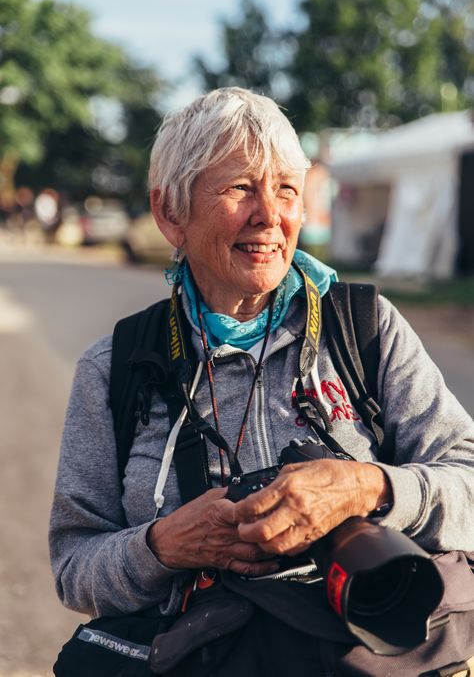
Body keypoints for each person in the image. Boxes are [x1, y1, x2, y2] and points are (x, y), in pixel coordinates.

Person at [50, 87, 474, 676]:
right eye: (240, 187)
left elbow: (468, 481)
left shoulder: (364, 329)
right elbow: (75, 568)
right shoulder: (116, 365)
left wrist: (369, 488)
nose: (269, 215)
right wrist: (163, 546)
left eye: (286, 189)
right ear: (171, 213)